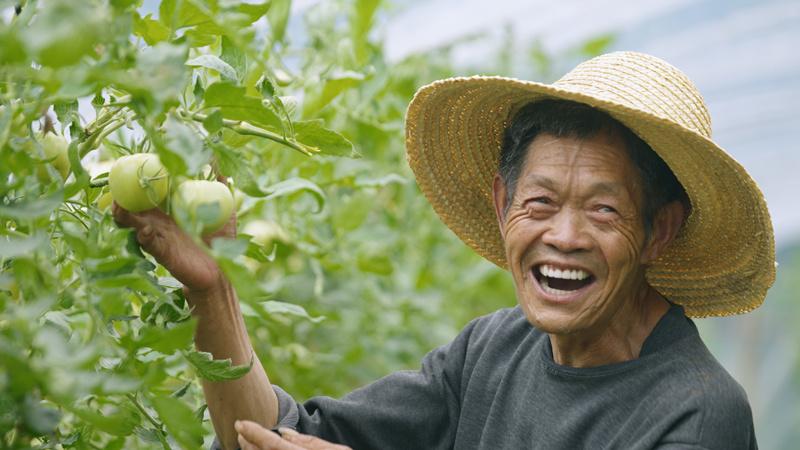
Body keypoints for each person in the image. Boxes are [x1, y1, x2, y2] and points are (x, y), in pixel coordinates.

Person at [114, 51, 775, 449]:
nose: (564, 237)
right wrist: (210, 291)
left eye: (603, 210)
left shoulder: (694, 413)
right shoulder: (494, 350)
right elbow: (269, 435)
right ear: (502, 205)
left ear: (659, 230)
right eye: (539, 202)